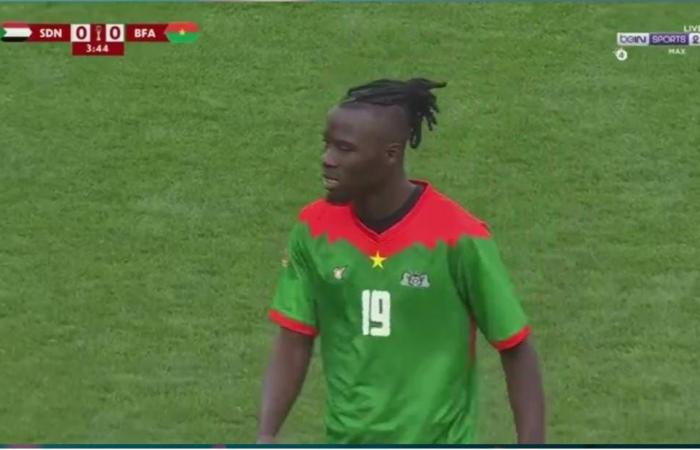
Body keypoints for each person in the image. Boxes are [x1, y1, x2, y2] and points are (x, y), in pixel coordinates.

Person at [257, 78, 545, 444]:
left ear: (391, 154)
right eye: (326, 144)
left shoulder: (458, 237)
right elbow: (294, 340)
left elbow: (515, 347)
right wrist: (264, 436)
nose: (327, 159)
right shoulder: (313, 229)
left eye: (345, 148)